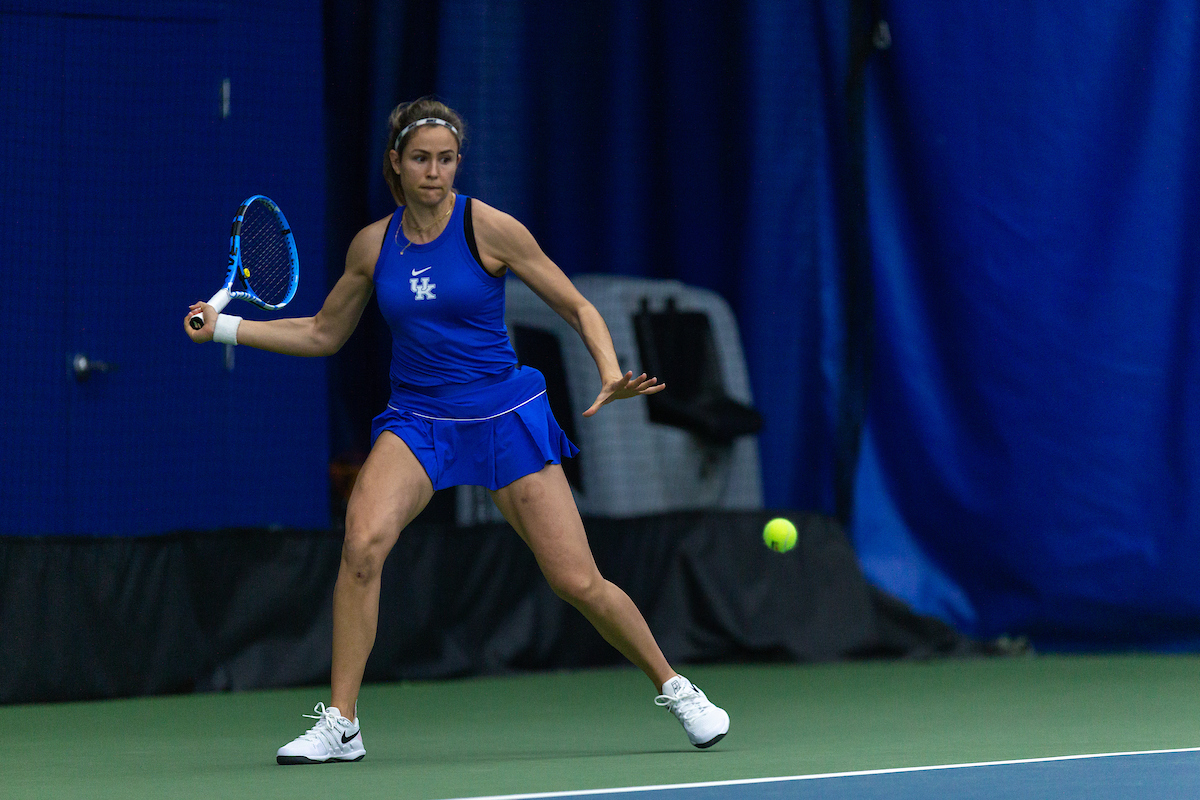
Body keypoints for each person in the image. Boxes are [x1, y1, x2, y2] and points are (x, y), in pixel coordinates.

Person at [185, 98, 729, 764]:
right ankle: (342, 723)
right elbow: (325, 332)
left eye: (446, 159)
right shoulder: (371, 246)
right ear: (396, 163)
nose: (434, 172)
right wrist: (228, 328)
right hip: (419, 421)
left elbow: (575, 304)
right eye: (421, 159)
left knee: (576, 582)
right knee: (361, 545)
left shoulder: (489, 228)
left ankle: (677, 689)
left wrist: (610, 370)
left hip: (504, 418)